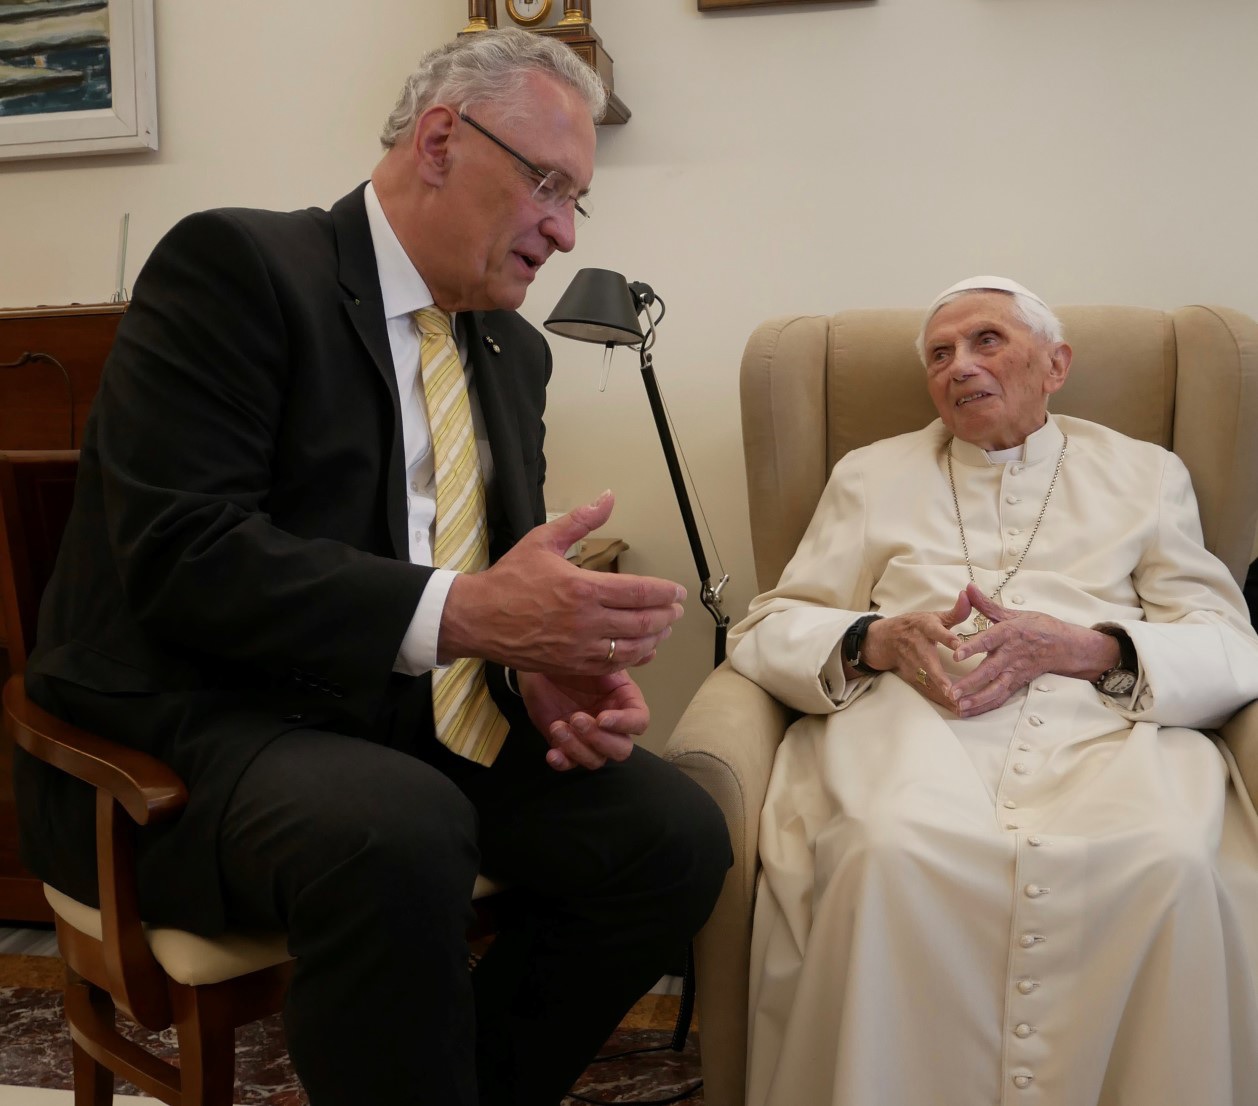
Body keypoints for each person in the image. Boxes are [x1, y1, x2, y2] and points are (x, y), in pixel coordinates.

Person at [14, 29, 730, 1106]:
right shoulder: (241, 268)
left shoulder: (510, 347)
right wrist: (479, 616)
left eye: (579, 200)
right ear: (440, 138)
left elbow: (485, 579)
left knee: (672, 836)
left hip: (399, 727)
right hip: (191, 731)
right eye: (547, 183)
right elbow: (184, 556)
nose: (564, 229)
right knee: (394, 826)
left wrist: (536, 667)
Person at [728, 275, 1258, 1106]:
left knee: (1169, 858)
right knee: (884, 850)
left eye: (986, 342)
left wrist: (1093, 648)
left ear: (1056, 364)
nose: (958, 367)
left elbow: (1230, 642)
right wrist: (873, 639)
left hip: (1106, 728)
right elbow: (769, 626)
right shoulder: (869, 475)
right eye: (939, 354)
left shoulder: (1147, 474)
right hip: (909, 723)